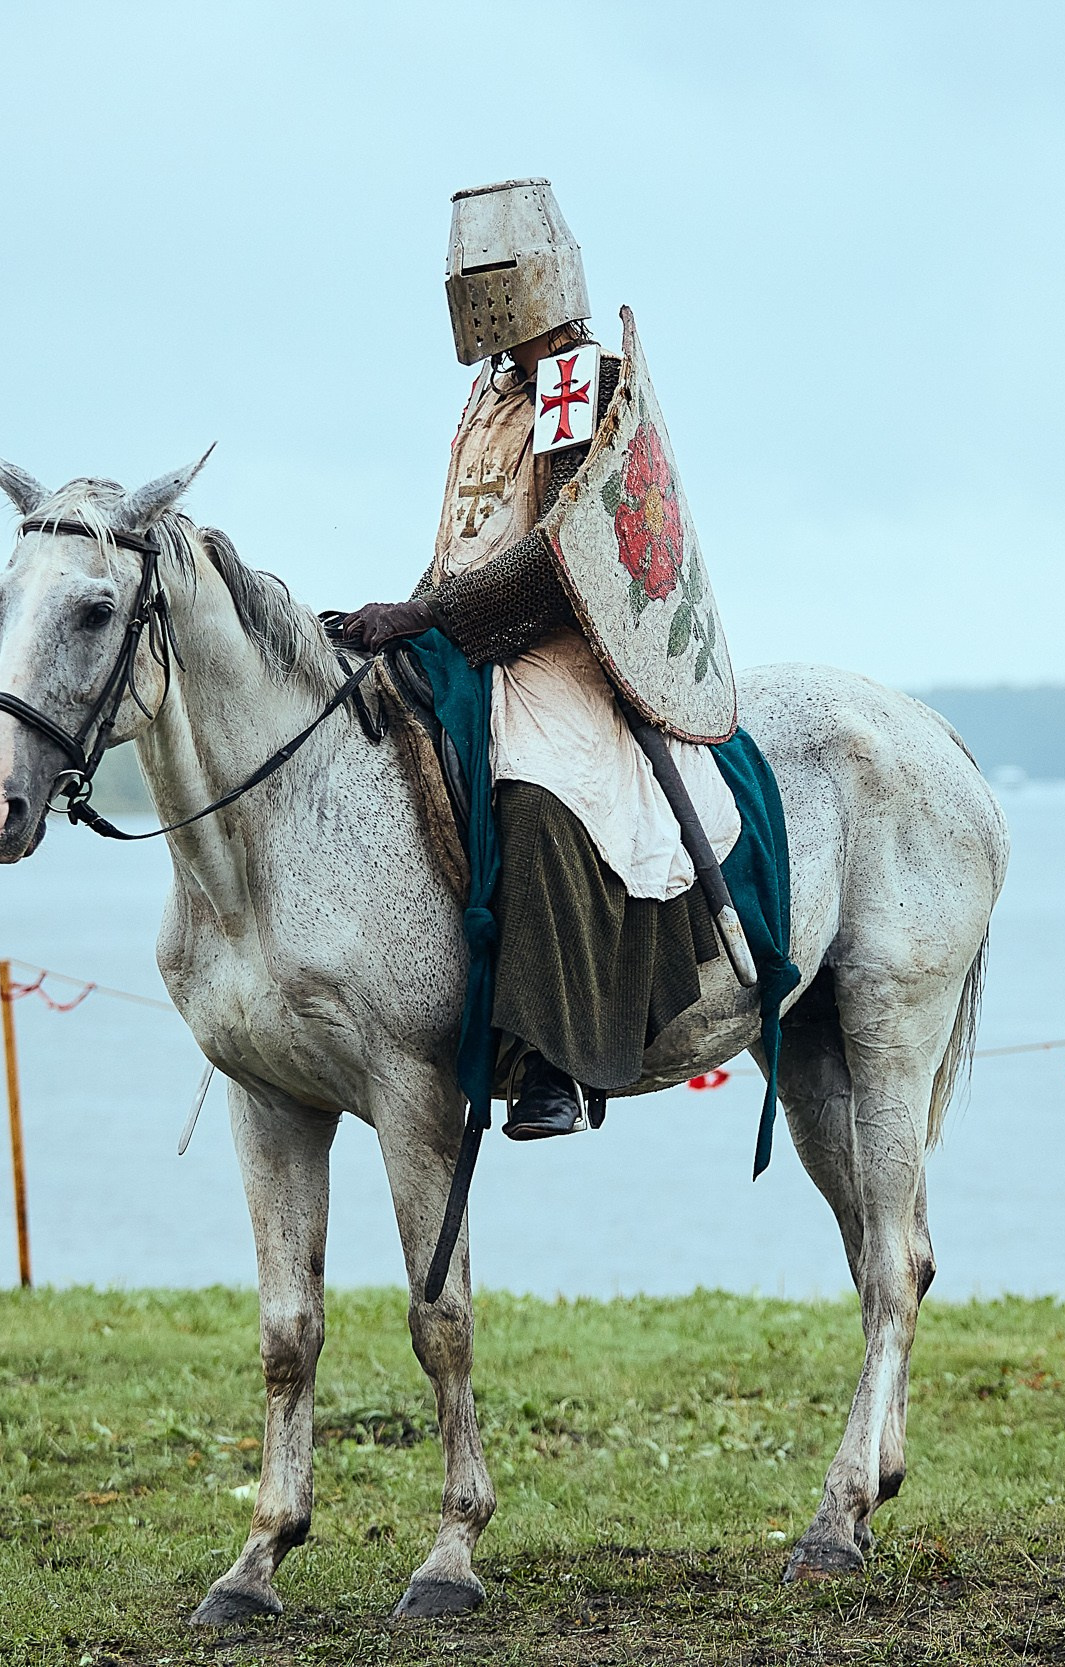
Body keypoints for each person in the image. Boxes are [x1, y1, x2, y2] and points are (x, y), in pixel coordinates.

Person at [337, 179, 742, 1141]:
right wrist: (394, 617)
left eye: (494, 274)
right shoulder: (491, 395)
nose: (479, 294)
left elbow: (559, 558)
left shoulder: (574, 380)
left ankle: (553, 1057)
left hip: (561, 649)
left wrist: (424, 612)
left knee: (534, 788)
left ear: (537, 278)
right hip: (471, 630)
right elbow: (466, 542)